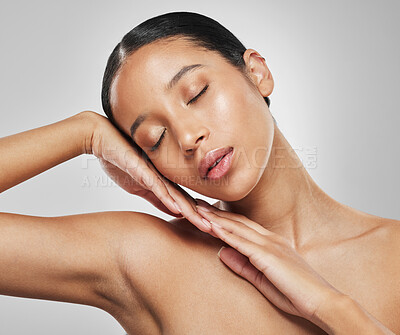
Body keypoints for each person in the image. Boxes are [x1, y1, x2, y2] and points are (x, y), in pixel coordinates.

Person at [0, 11, 398, 335]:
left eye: (196, 93)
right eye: (155, 139)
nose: (189, 137)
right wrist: (82, 133)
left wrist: (333, 309)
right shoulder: (145, 259)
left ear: (256, 73)